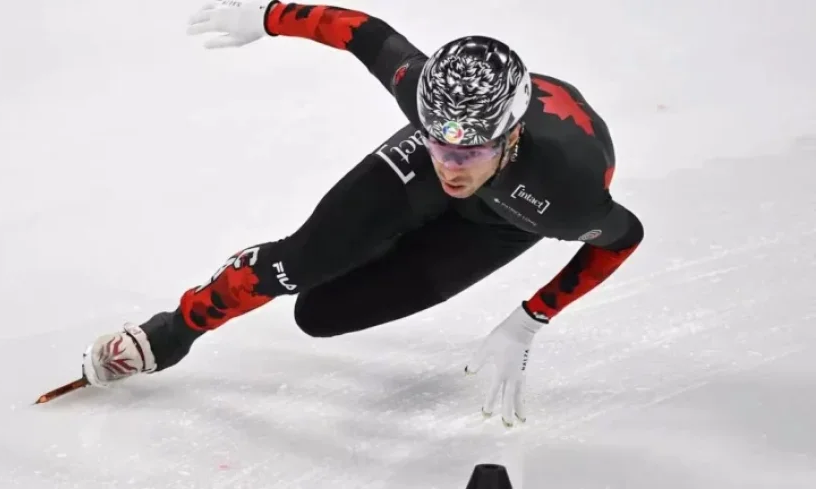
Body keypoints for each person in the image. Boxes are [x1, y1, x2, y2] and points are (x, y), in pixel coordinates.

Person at [80, 0, 644, 427]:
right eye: (438, 143)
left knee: (321, 315)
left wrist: (530, 319)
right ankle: (170, 333)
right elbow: (366, 35)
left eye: (468, 151)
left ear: (511, 134)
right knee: (300, 264)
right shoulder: (429, 98)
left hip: (504, 218)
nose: (451, 166)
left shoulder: (565, 195)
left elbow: (622, 237)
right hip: (451, 167)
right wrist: (272, 14)